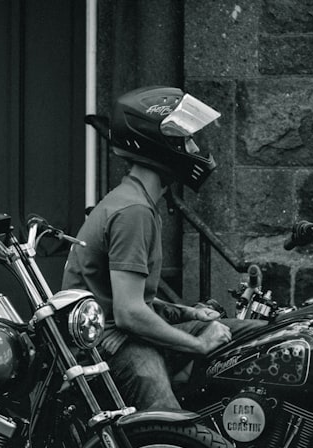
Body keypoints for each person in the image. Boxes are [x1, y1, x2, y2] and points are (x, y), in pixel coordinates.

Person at [63, 85, 258, 411]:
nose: (195, 148)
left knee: (260, 339)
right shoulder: (133, 211)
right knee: (173, 431)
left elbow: (140, 302)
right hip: (110, 344)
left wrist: (189, 314)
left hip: (125, 332)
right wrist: (197, 343)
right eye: (186, 139)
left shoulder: (138, 201)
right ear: (160, 143)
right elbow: (128, 315)